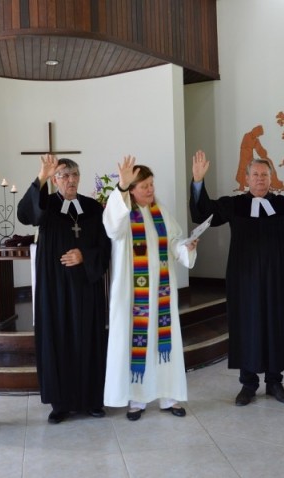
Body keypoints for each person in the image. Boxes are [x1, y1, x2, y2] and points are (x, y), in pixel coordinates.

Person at [190, 150, 284, 406]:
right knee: (247, 326)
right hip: (244, 279)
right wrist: (197, 182)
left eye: (265, 175)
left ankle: (275, 382)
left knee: (277, 325)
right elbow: (205, 213)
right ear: (246, 179)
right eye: (255, 175)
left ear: (271, 179)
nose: (260, 179)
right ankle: (248, 384)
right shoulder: (234, 204)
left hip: (278, 279)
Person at [16, 155, 111, 424]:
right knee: (58, 338)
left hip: (85, 287)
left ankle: (93, 400)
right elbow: (26, 215)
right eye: (64, 175)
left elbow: (105, 245)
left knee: (89, 338)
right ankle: (61, 404)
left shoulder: (92, 207)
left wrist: (85, 256)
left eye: (74, 175)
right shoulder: (46, 205)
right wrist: (40, 178)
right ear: (55, 179)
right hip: (55, 289)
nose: (70, 180)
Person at [103, 156, 198, 421]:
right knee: (136, 341)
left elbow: (174, 240)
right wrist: (120, 188)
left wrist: (185, 247)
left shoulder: (160, 212)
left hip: (161, 295)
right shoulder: (124, 214)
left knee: (163, 343)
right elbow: (112, 227)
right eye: (144, 185)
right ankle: (137, 400)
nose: (150, 189)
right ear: (131, 190)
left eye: (151, 184)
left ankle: (169, 397)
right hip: (134, 296)